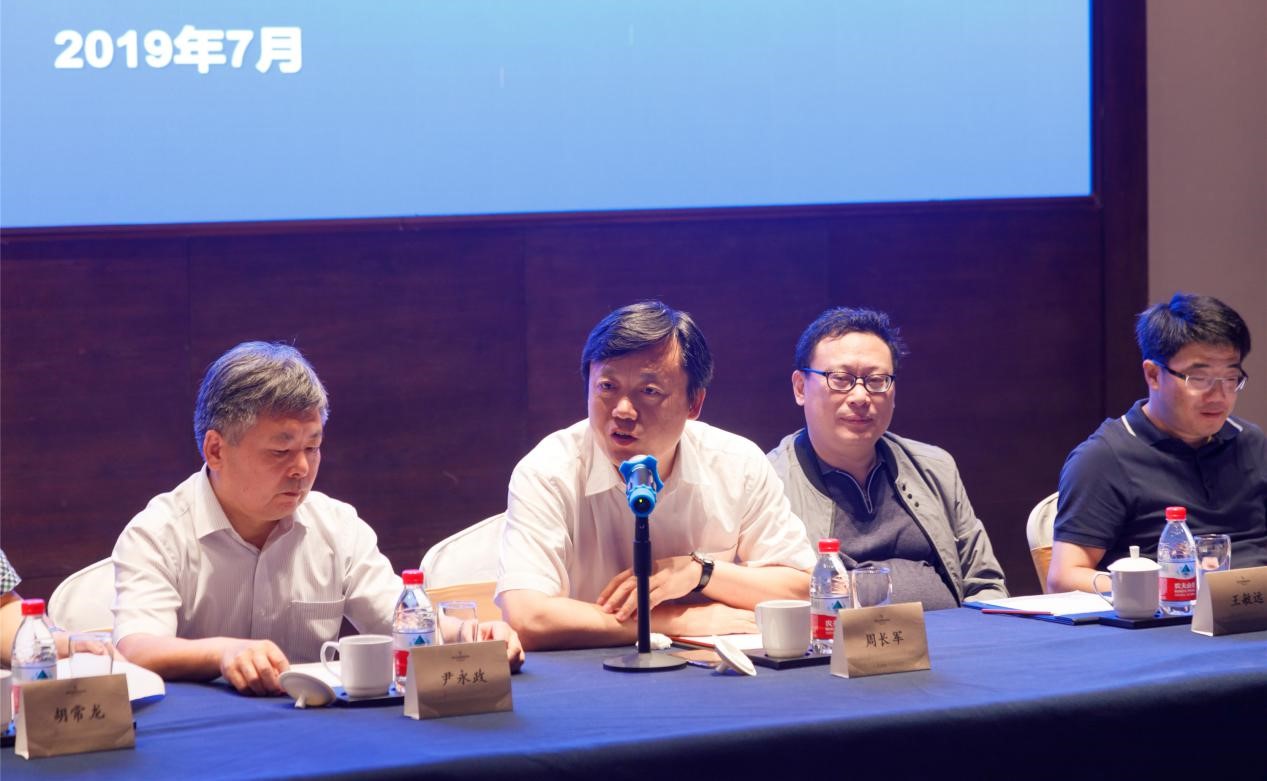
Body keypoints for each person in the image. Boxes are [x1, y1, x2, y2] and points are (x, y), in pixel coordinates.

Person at [112, 342, 524, 695]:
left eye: (312, 447)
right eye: (281, 451)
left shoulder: (337, 527)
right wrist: (223, 652)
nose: (302, 469)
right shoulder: (158, 533)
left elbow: (401, 620)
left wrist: (469, 635)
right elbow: (137, 648)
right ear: (216, 450)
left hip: (316, 726)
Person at [496, 301, 816, 650]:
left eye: (649, 391)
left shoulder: (737, 464)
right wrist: (675, 621)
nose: (623, 411)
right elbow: (528, 617)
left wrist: (700, 572)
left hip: (710, 672)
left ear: (694, 404)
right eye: (607, 387)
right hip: (588, 672)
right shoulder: (548, 471)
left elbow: (803, 588)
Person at [768, 307, 1007, 608]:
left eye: (877, 380)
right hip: (833, 638)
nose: (860, 397)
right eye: (840, 378)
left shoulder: (935, 467)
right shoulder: (770, 483)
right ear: (801, 387)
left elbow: (985, 584)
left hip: (954, 636)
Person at [1049, 293, 1265, 592]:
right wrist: (1162, 589)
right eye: (1199, 378)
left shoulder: (1251, 441)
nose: (1219, 395)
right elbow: (1063, 579)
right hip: (1171, 613)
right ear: (1153, 374)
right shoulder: (1104, 458)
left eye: (1230, 378)